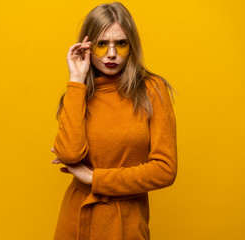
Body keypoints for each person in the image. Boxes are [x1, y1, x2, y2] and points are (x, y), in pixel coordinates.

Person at [50, 2, 178, 240]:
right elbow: (69, 154)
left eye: (121, 43)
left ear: (132, 46)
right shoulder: (78, 93)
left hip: (123, 223)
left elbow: (165, 170)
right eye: (101, 44)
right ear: (86, 47)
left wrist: (93, 178)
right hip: (75, 219)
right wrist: (76, 79)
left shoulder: (152, 90)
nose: (111, 54)